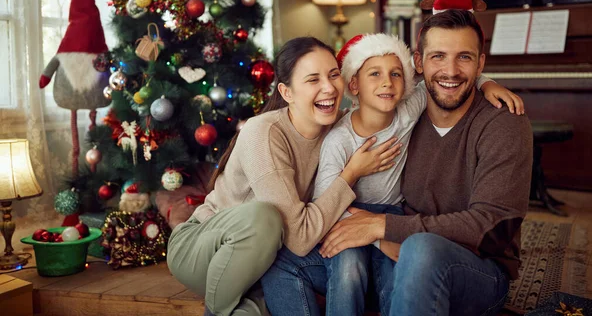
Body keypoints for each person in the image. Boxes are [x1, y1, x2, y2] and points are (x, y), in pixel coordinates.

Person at [261, 32, 525, 316]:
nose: (387, 82)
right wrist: (369, 222)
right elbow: (327, 198)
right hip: (345, 214)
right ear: (354, 84)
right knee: (346, 269)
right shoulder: (339, 138)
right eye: (374, 74)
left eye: (396, 74)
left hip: (394, 215)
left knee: (393, 277)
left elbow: (447, 80)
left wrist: (488, 83)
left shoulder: (407, 112)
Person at [167, 37, 401, 316]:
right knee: (265, 217)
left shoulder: (341, 126)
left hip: (267, 262)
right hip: (207, 250)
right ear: (287, 93)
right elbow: (300, 238)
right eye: (313, 80)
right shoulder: (263, 133)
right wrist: (350, 173)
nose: (328, 88)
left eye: (333, 75)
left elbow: (394, 102)